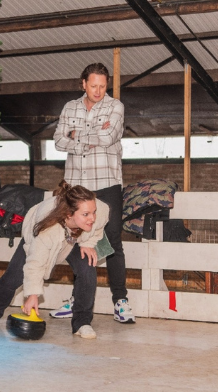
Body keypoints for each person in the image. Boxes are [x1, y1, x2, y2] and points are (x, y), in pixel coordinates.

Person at [51, 62, 135, 324]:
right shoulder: (70, 107)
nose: (98, 91)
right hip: (76, 185)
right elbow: (57, 141)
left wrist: (75, 134)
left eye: (102, 86)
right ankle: (78, 300)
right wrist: (88, 134)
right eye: (93, 85)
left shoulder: (115, 106)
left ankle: (120, 302)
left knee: (111, 242)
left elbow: (108, 137)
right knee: (76, 241)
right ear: (83, 84)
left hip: (106, 182)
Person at [0, 181, 108, 339]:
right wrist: (33, 294)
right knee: (13, 276)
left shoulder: (99, 209)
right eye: (86, 214)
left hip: (77, 238)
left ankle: (82, 323)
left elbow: (99, 226)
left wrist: (88, 243)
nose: (92, 217)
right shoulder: (46, 229)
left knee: (87, 269)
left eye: (93, 212)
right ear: (69, 214)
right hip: (39, 239)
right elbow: (35, 264)